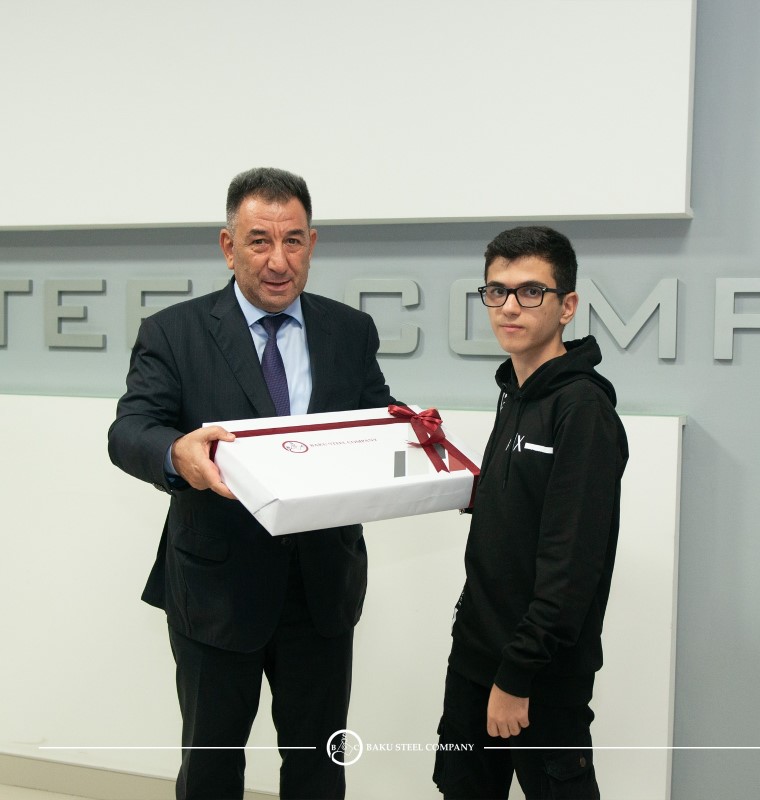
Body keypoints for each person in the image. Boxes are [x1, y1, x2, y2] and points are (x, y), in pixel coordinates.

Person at [108, 167, 395, 800]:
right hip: (216, 591)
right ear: (228, 246)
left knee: (319, 768)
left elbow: (376, 423)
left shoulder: (350, 331)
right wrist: (176, 453)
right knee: (211, 771)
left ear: (312, 244)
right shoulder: (173, 332)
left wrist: (412, 445)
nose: (278, 261)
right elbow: (129, 429)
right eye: (259, 241)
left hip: (321, 590)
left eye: (293, 241)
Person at [433, 226, 629, 799]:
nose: (509, 306)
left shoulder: (583, 410)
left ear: (567, 306)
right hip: (474, 660)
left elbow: (571, 566)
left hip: (538, 677)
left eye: (530, 291)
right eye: (497, 291)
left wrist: (517, 675)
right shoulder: (514, 392)